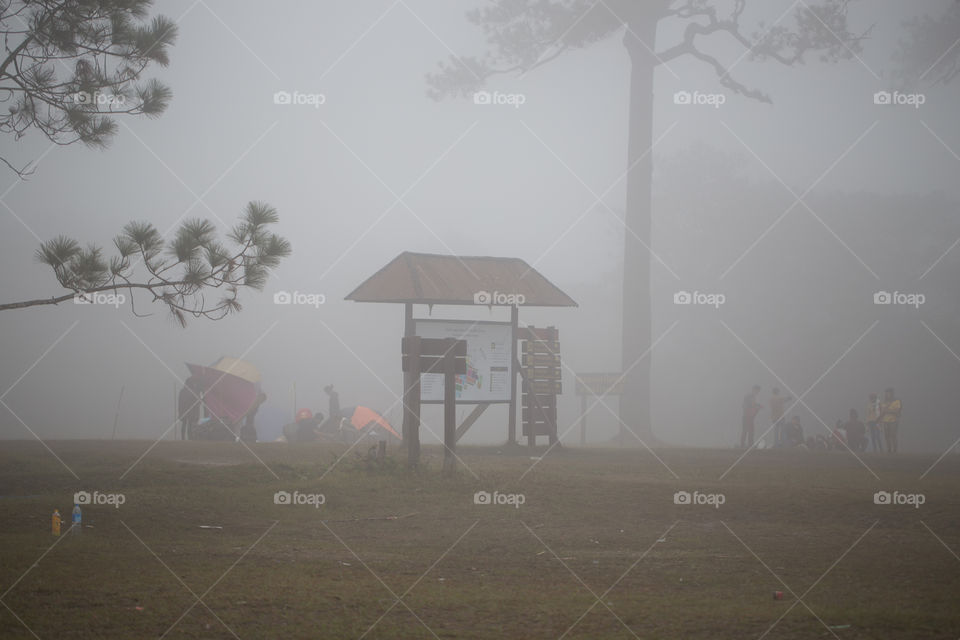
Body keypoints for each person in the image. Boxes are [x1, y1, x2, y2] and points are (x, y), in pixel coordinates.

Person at [177, 376, 203, 441]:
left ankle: (184, 438)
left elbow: (180, 402)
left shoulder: (182, 391)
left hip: (184, 410)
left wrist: (180, 411)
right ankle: (189, 438)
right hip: (190, 411)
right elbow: (198, 402)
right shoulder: (193, 391)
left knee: (185, 424)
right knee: (189, 425)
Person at [879, 388, 902, 453]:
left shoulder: (897, 401)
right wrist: (879, 420)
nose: (887, 394)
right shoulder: (884, 402)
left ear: (892, 393)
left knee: (893, 435)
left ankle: (894, 450)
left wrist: (888, 411)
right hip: (885, 421)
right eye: (886, 393)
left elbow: (897, 411)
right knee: (886, 436)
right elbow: (882, 412)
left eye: (889, 393)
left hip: (893, 421)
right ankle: (889, 449)